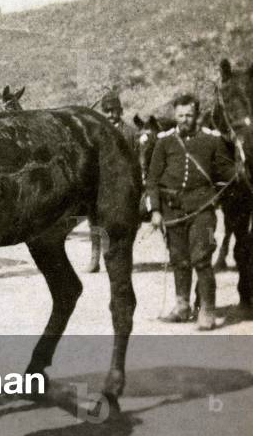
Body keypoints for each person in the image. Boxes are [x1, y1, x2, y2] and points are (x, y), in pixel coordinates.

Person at [147, 93, 235, 330]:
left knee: (202, 260)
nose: (185, 120)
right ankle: (182, 306)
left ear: (197, 115)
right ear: (175, 116)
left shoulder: (212, 141)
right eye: (180, 115)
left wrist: (240, 155)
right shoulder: (164, 142)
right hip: (172, 211)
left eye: (189, 115)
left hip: (202, 211)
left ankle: (207, 311)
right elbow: (153, 179)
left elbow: (228, 173)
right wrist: (155, 210)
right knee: (179, 260)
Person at [88, 91, 141, 272]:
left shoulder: (132, 133)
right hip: (100, 183)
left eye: (114, 110)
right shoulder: (94, 132)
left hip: (124, 184)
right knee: (94, 220)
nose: (111, 114)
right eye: (107, 111)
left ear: (121, 111)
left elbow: (139, 159)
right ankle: (95, 256)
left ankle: (124, 258)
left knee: (125, 222)